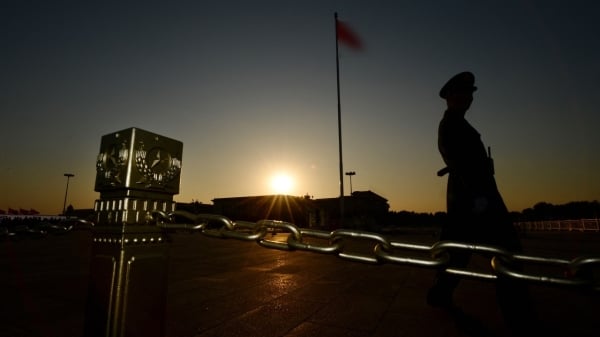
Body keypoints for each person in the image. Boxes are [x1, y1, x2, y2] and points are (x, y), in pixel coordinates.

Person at [428, 71, 536, 334]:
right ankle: (517, 319)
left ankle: (440, 294)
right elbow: (457, 162)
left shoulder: (461, 125)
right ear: (451, 97)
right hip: (475, 201)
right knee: (507, 254)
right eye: (463, 93)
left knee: (458, 255)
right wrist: (481, 200)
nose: (469, 98)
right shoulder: (451, 125)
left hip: (470, 202)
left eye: (470, 94)